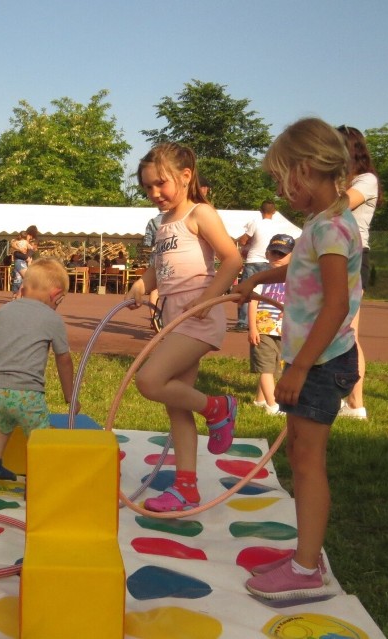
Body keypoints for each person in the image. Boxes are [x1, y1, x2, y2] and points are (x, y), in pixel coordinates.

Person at [235, 117, 361, 601]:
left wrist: (299, 367)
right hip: (320, 358)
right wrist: (259, 277)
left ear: (306, 169)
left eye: (284, 179)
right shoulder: (322, 225)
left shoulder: (330, 228)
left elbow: (334, 305)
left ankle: (307, 569)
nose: (282, 190)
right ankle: (303, 555)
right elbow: (298, 266)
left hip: (322, 362)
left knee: (308, 463)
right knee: (300, 456)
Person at [126, 142, 243, 513]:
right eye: (147, 187)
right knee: (176, 403)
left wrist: (207, 299)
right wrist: (143, 285)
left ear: (186, 176)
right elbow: (159, 266)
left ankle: (218, 408)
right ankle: (186, 487)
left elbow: (232, 259)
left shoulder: (200, 213)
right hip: (174, 316)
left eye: (161, 184)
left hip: (199, 317)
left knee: (150, 381)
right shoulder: (162, 223)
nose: (154, 193)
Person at [0, 258, 79, 481]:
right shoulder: (52, 318)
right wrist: (70, 395)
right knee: (40, 433)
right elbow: (64, 360)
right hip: (26, 392)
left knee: (3, 421)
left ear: (22, 289)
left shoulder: (3, 311)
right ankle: (40, 479)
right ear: (56, 295)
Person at [337, 125, 382, 421]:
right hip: (333, 253)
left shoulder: (366, 180)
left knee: (350, 330)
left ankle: (357, 403)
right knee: (337, 330)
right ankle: (343, 396)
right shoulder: (342, 180)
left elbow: (340, 205)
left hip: (353, 254)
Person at [233, 200, 302, 332]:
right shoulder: (278, 227)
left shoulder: (255, 222)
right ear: (274, 212)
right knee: (269, 291)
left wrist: (240, 243)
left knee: (246, 292)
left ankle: (243, 322)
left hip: (254, 259)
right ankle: (273, 318)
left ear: (260, 211)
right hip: (270, 262)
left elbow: (243, 240)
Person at [247, 234, 294, 416]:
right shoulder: (262, 278)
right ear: (267, 254)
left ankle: (260, 399)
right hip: (263, 330)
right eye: (274, 253)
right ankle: (272, 405)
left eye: (282, 254)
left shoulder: (294, 279)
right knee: (266, 367)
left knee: (275, 367)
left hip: (285, 331)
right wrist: (253, 328)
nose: (277, 257)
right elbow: (253, 303)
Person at [10, 225, 38, 299]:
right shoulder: (24, 239)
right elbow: (13, 244)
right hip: (20, 260)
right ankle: (18, 295)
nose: (31, 238)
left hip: (21, 260)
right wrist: (22, 251)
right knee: (25, 278)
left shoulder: (25, 239)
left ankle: (17, 295)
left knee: (19, 279)